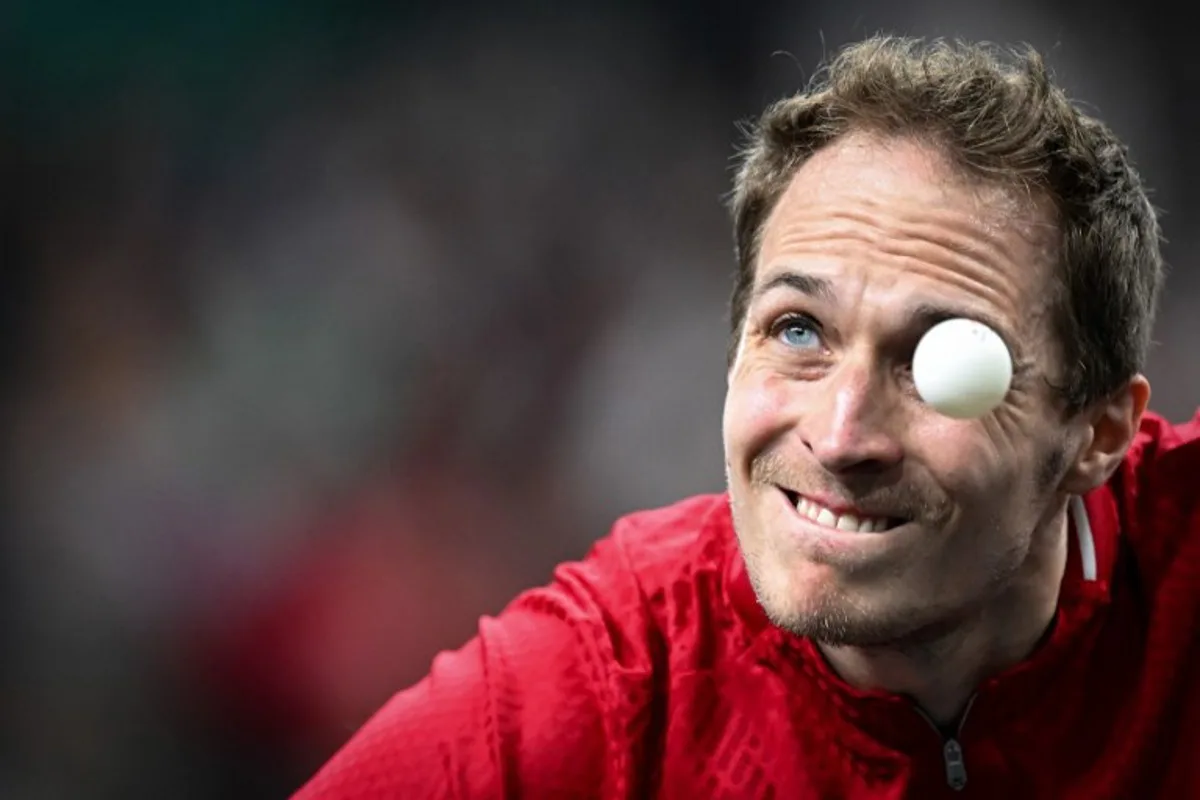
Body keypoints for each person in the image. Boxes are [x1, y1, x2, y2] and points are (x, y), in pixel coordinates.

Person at [293, 35, 1200, 798]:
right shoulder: (608, 691)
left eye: (941, 362)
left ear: (1098, 434)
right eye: (799, 330)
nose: (841, 436)